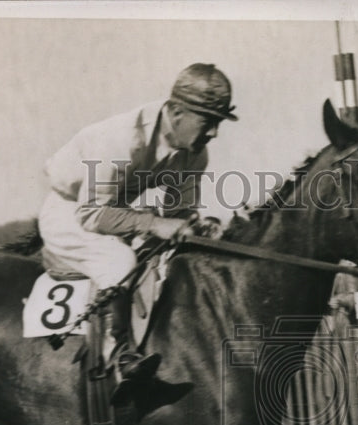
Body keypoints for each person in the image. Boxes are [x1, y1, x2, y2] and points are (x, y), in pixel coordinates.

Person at [39, 63, 238, 386]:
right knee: (120, 261)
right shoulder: (118, 140)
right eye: (207, 121)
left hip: (114, 208)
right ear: (175, 112)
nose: (214, 132)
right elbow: (90, 215)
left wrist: (191, 226)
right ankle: (116, 359)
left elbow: (179, 214)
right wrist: (154, 224)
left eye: (218, 123)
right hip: (70, 211)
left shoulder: (195, 154)